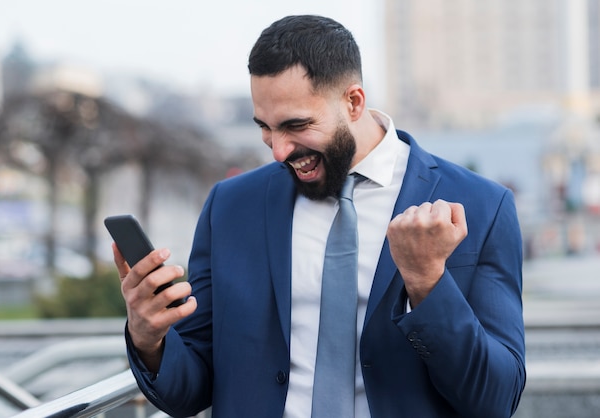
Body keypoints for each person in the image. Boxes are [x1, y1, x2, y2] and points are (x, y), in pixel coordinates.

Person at [113, 15, 526, 418]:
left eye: (297, 125)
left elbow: (496, 399)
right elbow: (191, 389)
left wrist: (427, 283)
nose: (278, 151)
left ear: (353, 102)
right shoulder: (231, 206)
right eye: (265, 128)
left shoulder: (481, 206)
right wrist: (150, 338)